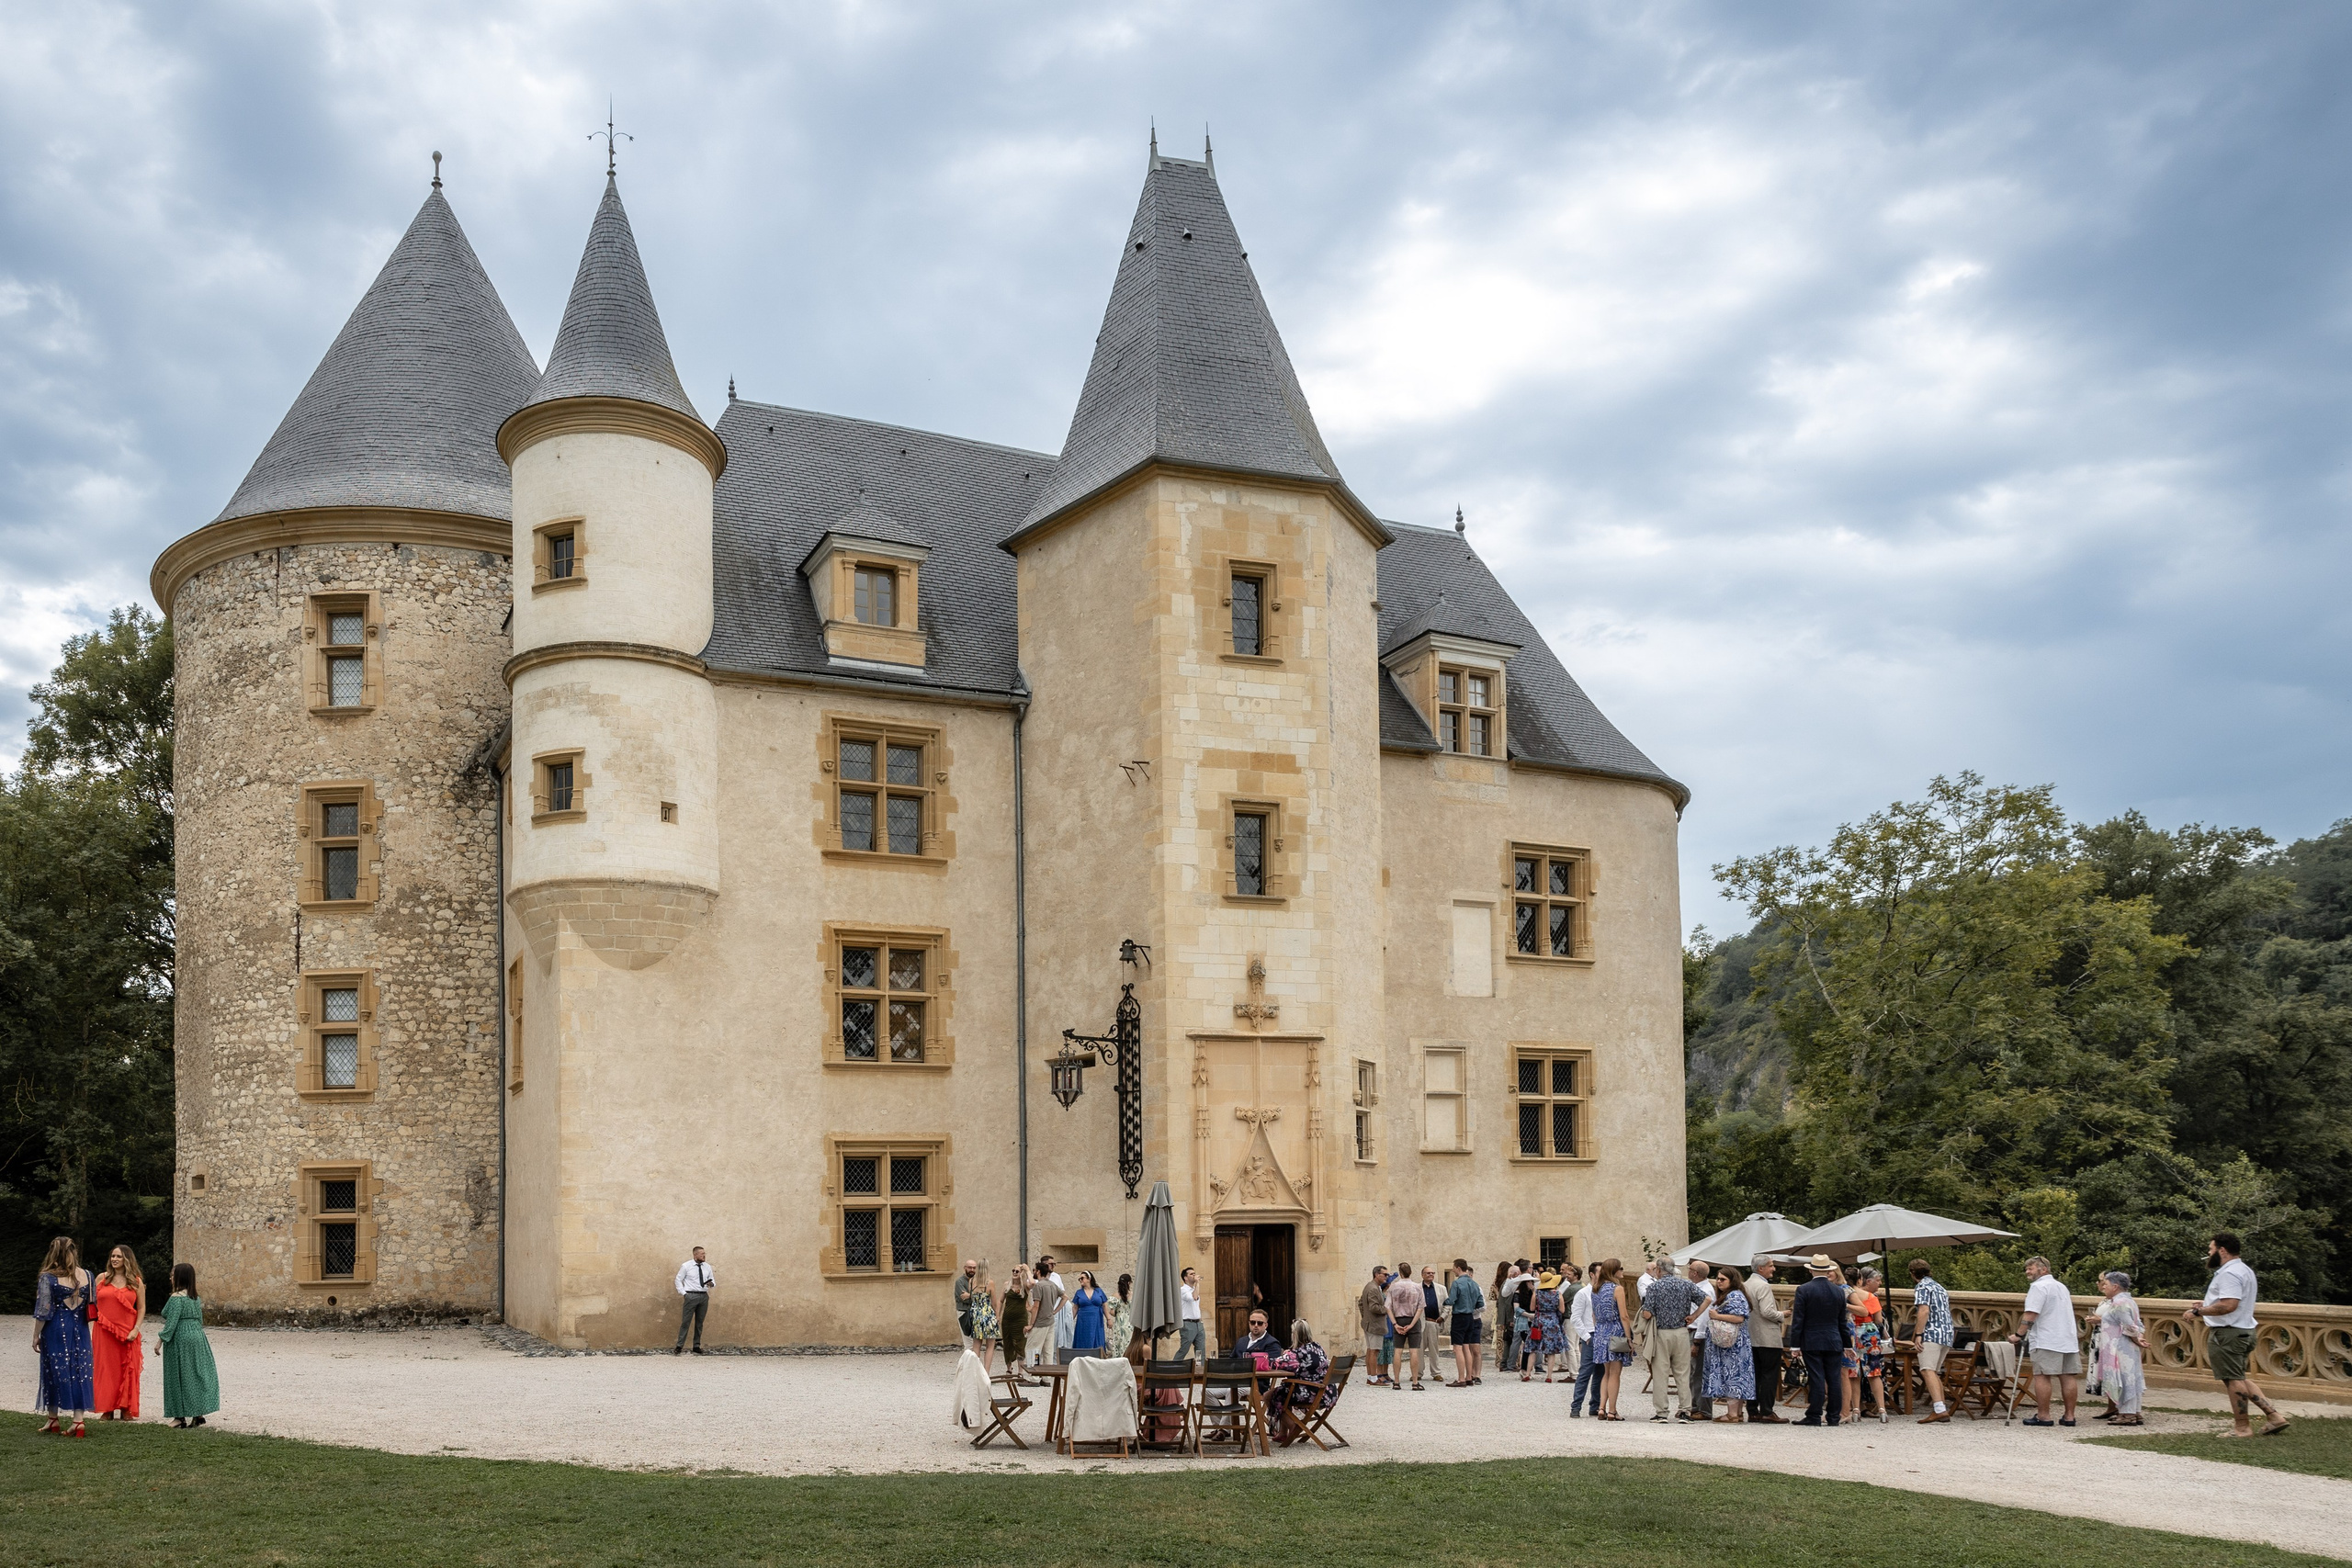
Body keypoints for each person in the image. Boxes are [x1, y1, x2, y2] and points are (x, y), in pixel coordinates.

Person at [2185, 1232, 2287, 1438]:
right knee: (2238, 1377)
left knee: (2233, 1380)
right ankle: (2275, 1417)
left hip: (2229, 1334)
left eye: (2211, 1249)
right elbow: (2230, 1302)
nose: (2209, 1253)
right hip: (2243, 1330)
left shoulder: (2229, 1273)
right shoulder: (2244, 1270)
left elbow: (2229, 1305)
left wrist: (2198, 1312)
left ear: (2222, 1250)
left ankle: (2242, 1428)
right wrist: (2208, 1305)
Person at [32, 1236, 95, 1436]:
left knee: (53, 1371)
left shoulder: (48, 1277)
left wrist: (35, 1336)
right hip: (81, 1330)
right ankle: (78, 1421)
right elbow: (92, 1304)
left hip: (56, 1330)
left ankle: (53, 1418)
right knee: (80, 1372)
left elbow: (43, 1311)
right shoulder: (88, 1275)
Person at [2010, 1255, 2081, 1427]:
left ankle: (2044, 1415)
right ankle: (2069, 1416)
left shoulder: (2038, 1287)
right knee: (2067, 1376)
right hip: (2067, 1338)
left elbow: (2031, 1314)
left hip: (2047, 1338)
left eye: (2031, 1268)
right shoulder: (2061, 1286)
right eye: (2026, 1268)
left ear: (2043, 1269)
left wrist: (2018, 1335)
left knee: (2042, 1376)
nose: (2027, 1271)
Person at [1787, 1254, 1852, 1427]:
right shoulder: (1839, 1291)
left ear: (1810, 1270)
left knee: (1817, 1377)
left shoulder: (1804, 1290)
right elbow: (1842, 1322)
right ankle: (1833, 1417)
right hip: (1834, 1340)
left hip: (1812, 1340)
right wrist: (1847, 1344)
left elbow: (1798, 1320)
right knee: (1834, 1379)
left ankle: (1814, 1415)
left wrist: (1795, 1344)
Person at [1639, 1260, 1704, 1421]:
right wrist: (1694, 1316)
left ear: (1659, 1270)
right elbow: (1707, 1300)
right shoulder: (1686, 1285)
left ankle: (1662, 1412)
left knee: (1660, 1373)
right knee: (1682, 1373)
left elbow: (1647, 1313)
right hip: (1681, 1332)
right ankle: (1685, 1411)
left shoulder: (1654, 1287)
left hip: (1661, 1333)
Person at [157, 1262, 219, 1429]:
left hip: (181, 1338)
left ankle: (179, 1417)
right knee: (194, 1374)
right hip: (197, 1335)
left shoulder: (176, 1298)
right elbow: (199, 1319)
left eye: (172, 1274)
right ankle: (198, 1414)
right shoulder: (194, 1298)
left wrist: (160, 1340)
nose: (170, 1277)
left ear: (179, 1277)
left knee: (177, 1376)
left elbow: (171, 1323)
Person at [91, 1245, 145, 1422]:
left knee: (127, 1369)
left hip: (127, 1331)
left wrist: (136, 1329)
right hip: (104, 1331)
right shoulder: (101, 1278)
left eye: (119, 1257)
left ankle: (125, 1408)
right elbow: (90, 1302)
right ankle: (107, 1408)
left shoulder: (136, 1281)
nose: (114, 1259)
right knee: (106, 1370)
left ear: (127, 1259)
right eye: (113, 1256)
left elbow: (142, 1307)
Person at [2091, 1270, 2147, 1427]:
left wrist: (2137, 1340)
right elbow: (2138, 1325)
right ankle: (2134, 1412)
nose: (2104, 1287)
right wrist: (2139, 1338)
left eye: (2106, 1285)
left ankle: (2127, 1414)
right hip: (2126, 1347)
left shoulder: (2119, 1303)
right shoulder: (2130, 1301)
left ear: (2115, 1286)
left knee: (2123, 1378)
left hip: (2119, 1347)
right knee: (2130, 1377)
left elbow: (2129, 1326)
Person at [1268, 1318, 1334, 1445]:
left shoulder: (1296, 1354)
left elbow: (1275, 1364)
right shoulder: (1318, 1347)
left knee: (1269, 1396)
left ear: (1295, 1335)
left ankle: (1294, 1429)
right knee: (1284, 1392)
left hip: (1310, 1393)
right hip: (1326, 1392)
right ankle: (1282, 1433)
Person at [1905, 1257, 1955, 1423]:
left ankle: (1939, 1409)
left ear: (1913, 1273)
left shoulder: (1922, 1287)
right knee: (1934, 1371)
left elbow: (1923, 1311)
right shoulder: (1939, 1287)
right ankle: (1942, 1409)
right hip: (1947, 1332)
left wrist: (1918, 1334)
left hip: (1932, 1333)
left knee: (1926, 1370)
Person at [1702, 1267, 1753, 1422]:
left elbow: (1739, 1318)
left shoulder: (1735, 1296)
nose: (1718, 1282)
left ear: (1733, 1280)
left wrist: (1717, 1316)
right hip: (1733, 1343)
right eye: (1717, 1279)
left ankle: (1732, 1414)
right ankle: (1737, 1413)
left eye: (1723, 1279)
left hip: (1733, 1344)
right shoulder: (1733, 1295)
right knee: (1734, 1374)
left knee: (1732, 1374)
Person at [1590, 1258, 1635, 1419]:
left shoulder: (1595, 1289)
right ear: (1614, 1271)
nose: (1622, 1271)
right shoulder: (1617, 1289)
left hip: (1601, 1331)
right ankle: (1612, 1410)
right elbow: (1624, 1316)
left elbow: (1594, 1314)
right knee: (1615, 1374)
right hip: (1615, 1331)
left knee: (1606, 1373)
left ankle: (1601, 1407)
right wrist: (1629, 1338)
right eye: (1620, 1268)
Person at [1743, 1256, 1786, 1422]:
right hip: (1767, 1337)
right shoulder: (1763, 1286)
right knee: (1769, 1375)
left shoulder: (1745, 1285)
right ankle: (1767, 1411)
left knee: (1754, 1375)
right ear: (1761, 1268)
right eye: (1771, 1266)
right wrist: (1782, 1314)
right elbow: (1767, 1312)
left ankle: (1752, 1411)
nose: (1773, 1268)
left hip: (1750, 1336)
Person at [1843, 1269, 1888, 1425]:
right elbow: (1878, 1319)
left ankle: (1856, 1409)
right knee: (1874, 1372)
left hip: (1850, 1333)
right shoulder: (1870, 1297)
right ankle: (1882, 1409)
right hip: (1869, 1334)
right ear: (1860, 1280)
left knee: (1853, 1373)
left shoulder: (1845, 1295)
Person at [1685, 1259, 1719, 1418]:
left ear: (1695, 1273)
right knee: (1693, 1372)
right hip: (1693, 1332)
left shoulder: (1706, 1291)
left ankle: (1702, 1409)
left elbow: (1705, 1319)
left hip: (1700, 1334)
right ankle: (1694, 1406)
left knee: (1699, 1372)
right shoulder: (1698, 1287)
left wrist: (1697, 1342)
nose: (1688, 1271)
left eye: (1689, 1269)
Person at [1385, 1260, 1427, 1390]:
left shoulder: (1393, 1287)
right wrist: (1412, 1324)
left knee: (1398, 1350)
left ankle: (1396, 1382)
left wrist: (1395, 1324)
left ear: (1400, 1273)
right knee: (1414, 1350)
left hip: (1398, 1318)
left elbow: (1388, 1307)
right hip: (1413, 1319)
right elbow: (1420, 1308)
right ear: (1411, 1272)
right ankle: (1415, 1382)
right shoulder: (1417, 1287)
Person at [1446, 1257, 1487, 1386]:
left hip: (1459, 1316)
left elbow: (1451, 1300)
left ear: (1458, 1268)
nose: (1453, 1271)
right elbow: (1480, 1303)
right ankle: (1469, 1377)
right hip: (1471, 1317)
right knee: (1467, 1347)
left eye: (1453, 1268)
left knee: (1458, 1348)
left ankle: (1461, 1379)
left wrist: (1443, 1301)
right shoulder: (1475, 1284)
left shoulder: (1457, 1283)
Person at [1568, 1262, 1602, 1415]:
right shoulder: (1583, 1293)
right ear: (1592, 1274)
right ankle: (1576, 1406)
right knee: (1585, 1372)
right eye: (1600, 1272)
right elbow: (1575, 1317)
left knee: (1600, 1373)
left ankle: (1595, 1405)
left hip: (1602, 1335)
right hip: (1591, 1333)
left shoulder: (1604, 1292)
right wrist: (1586, 1337)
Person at [1522, 1270, 1566, 1382]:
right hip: (1552, 1322)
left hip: (1539, 1321)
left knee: (1533, 1348)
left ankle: (1527, 1373)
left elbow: (1532, 1308)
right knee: (1551, 1350)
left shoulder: (1536, 1293)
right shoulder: (1558, 1294)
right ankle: (1549, 1376)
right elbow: (1562, 1310)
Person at [673, 1246, 714, 1356]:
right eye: (702, 1254)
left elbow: (712, 1279)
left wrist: (711, 1283)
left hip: (704, 1296)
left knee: (699, 1323)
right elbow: (678, 1279)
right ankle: (679, 1346)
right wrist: (684, 1293)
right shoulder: (686, 1266)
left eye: (704, 1254)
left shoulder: (707, 1267)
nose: (704, 1256)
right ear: (695, 1255)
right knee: (686, 1322)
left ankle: (696, 1346)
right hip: (691, 1295)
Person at [1358, 1264, 1393, 1384]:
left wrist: (1365, 1317)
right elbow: (1373, 1307)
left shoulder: (1371, 1286)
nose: (1387, 1277)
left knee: (1370, 1350)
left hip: (1370, 1323)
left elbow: (1361, 1303)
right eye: (1385, 1274)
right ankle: (1373, 1378)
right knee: (1374, 1351)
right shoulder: (1373, 1288)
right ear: (1377, 1275)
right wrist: (1387, 1309)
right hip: (1375, 1325)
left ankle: (1371, 1377)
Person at [1028, 1258, 1065, 1369]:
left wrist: (1031, 1324)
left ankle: (1034, 1375)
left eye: (1035, 1270)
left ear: (1038, 1272)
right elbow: (1065, 1297)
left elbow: (1036, 1306)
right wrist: (1055, 1311)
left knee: (1033, 1349)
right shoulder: (1052, 1285)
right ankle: (1047, 1376)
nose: (1034, 1272)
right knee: (1048, 1350)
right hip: (1050, 1321)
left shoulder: (1038, 1286)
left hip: (1040, 1322)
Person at [999, 1264, 1032, 1382]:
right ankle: (1009, 1368)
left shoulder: (1025, 1286)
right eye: (1013, 1270)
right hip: (1007, 1319)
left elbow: (1032, 1283)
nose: (1014, 1273)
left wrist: (1027, 1270)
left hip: (1020, 1320)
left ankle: (1021, 1371)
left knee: (1020, 1344)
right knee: (1007, 1343)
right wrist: (998, 1315)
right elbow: (1001, 1300)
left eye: (1017, 1271)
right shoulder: (1007, 1285)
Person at [1069, 1270, 1108, 1354]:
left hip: (1096, 1319)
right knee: (1083, 1338)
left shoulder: (1099, 1291)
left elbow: (1104, 1305)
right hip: (1083, 1321)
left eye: (1082, 1278)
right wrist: (1069, 1320)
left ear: (1089, 1279)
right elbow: (1075, 1307)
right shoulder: (1079, 1293)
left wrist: (1109, 1319)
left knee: (1097, 1339)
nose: (1080, 1280)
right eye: (1079, 1279)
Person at [1176, 1266, 1206, 1363]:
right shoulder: (1183, 1290)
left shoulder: (1194, 1289)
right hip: (1188, 1324)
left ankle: (1200, 1370)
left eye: (1194, 1273)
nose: (1194, 1275)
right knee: (1184, 1349)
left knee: (1200, 1350)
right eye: (1191, 1274)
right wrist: (1197, 1283)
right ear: (1185, 1278)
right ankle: (1173, 1366)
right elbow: (1193, 1297)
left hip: (1198, 1323)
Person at [1108, 1273, 1136, 1359]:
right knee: (1129, 1343)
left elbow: (1112, 1312)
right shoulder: (1134, 1295)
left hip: (1119, 1323)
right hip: (1130, 1322)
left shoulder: (1115, 1296)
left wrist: (1119, 1313)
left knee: (1119, 1345)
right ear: (1129, 1283)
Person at [955, 1258, 979, 1348]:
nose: (972, 1270)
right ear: (965, 1268)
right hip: (964, 1312)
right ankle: (967, 1362)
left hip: (976, 1312)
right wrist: (976, 1296)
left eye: (974, 1268)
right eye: (970, 1267)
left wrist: (970, 1295)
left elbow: (985, 1296)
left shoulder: (978, 1281)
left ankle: (972, 1362)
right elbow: (963, 1299)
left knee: (976, 1342)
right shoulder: (960, 1282)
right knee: (969, 1343)